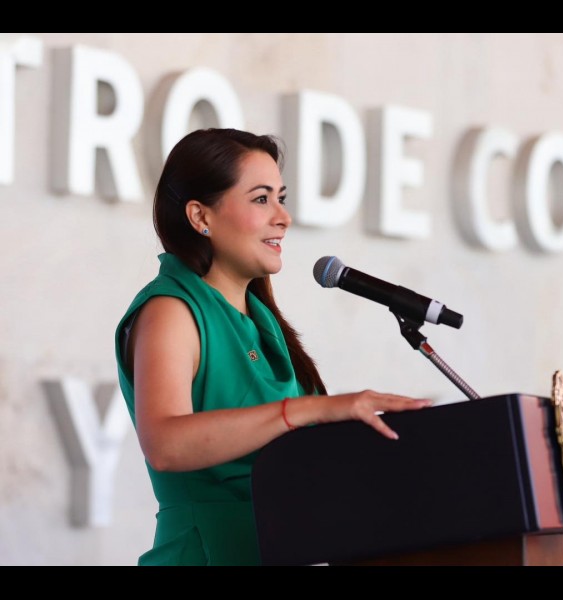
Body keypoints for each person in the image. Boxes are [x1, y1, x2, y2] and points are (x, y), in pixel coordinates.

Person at [114, 128, 431, 566]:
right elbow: (165, 444)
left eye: (281, 198)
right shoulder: (172, 309)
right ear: (200, 216)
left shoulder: (262, 320)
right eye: (261, 199)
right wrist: (307, 410)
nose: (283, 217)